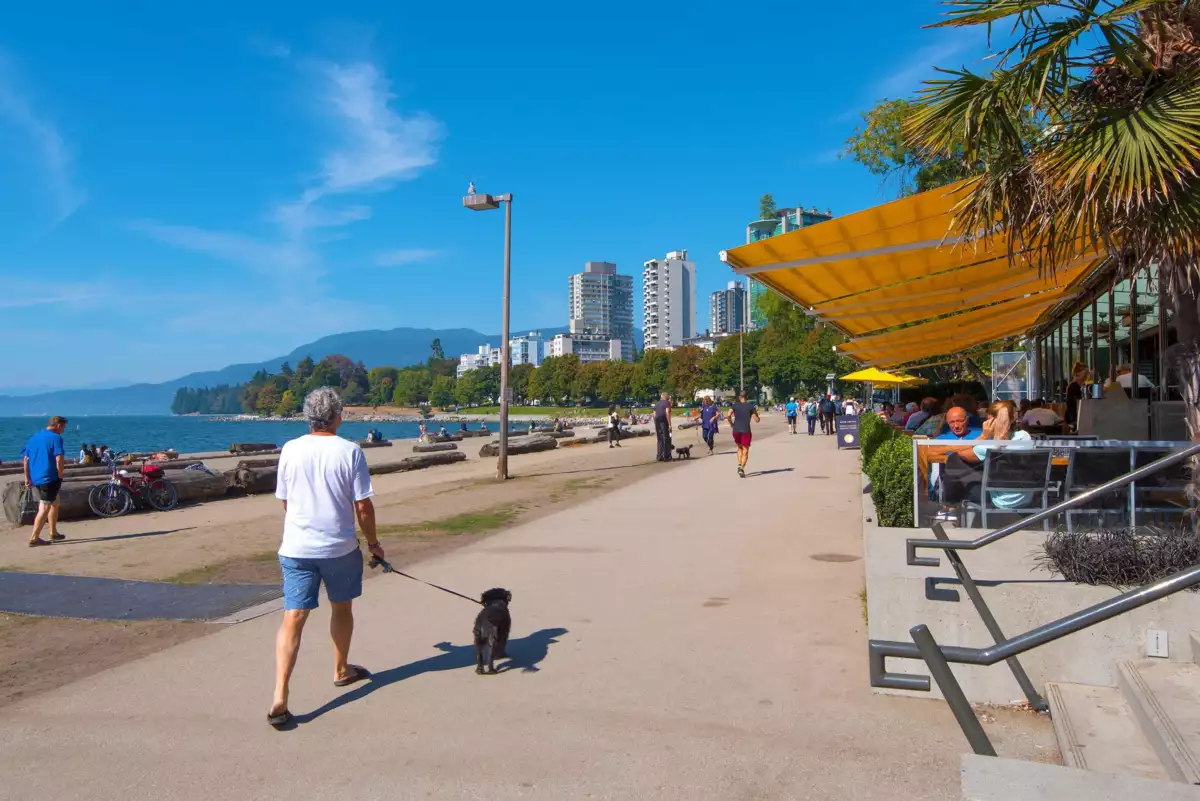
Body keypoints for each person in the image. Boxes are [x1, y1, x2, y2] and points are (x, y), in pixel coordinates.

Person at [268, 388, 382, 728]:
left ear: (308, 416)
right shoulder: (350, 451)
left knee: (293, 616)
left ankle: (280, 695)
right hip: (339, 548)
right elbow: (363, 505)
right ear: (337, 416)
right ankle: (341, 668)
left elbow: (285, 501)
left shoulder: (290, 449)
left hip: (296, 547)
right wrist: (374, 543)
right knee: (341, 607)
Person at [940, 400, 1034, 510]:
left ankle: (950, 507)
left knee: (954, 460)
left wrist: (984, 436)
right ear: (1012, 419)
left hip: (998, 500)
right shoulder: (1025, 437)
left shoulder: (987, 447)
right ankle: (951, 506)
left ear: (989, 420)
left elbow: (961, 453)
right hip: (1025, 497)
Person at [22, 416, 68, 547]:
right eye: (63, 427)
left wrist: (27, 478)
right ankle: (34, 538)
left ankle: (53, 532)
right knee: (45, 507)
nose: (63, 430)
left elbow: (26, 460)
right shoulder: (56, 438)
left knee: (55, 502)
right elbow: (59, 458)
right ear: (58, 425)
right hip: (49, 477)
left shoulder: (33, 438)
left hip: (36, 477)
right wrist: (60, 475)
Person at [724, 393, 760, 478]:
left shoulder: (734, 405)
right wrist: (756, 415)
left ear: (739, 397)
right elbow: (757, 420)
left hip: (736, 430)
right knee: (745, 450)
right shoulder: (751, 406)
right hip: (745, 430)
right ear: (747, 397)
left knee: (739, 447)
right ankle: (741, 468)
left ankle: (739, 464)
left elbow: (728, 415)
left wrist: (731, 424)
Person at [653, 393, 673, 462]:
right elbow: (667, 413)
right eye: (668, 397)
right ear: (666, 397)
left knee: (659, 439)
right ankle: (666, 456)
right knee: (666, 438)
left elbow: (654, 414)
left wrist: (656, 424)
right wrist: (670, 425)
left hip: (657, 421)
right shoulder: (667, 403)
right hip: (664, 421)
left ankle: (659, 456)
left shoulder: (657, 403)